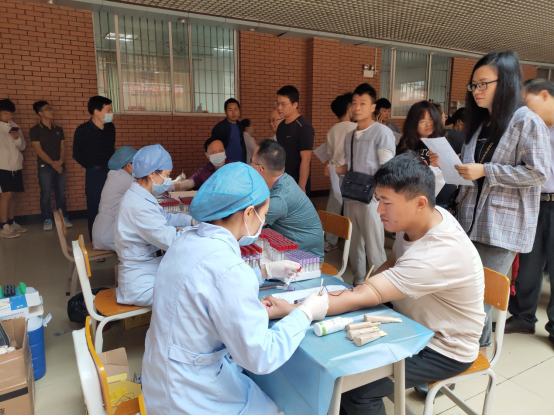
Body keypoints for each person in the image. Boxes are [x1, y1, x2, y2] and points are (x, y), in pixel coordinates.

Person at [264, 154, 486, 416]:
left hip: (443, 346)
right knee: (338, 354)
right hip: (409, 322)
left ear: (420, 203)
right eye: (378, 199)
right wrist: (358, 293)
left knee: (356, 388)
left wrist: (292, 309)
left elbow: (362, 295)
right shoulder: (423, 219)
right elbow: (391, 264)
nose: (379, 210)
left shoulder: (436, 253)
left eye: (386, 202)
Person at [142, 162, 329, 414]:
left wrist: (265, 271)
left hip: (163, 375)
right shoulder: (229, 269)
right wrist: (305, 312)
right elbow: (261, 356)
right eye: (264, 214)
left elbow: (209, 284)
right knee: (275, 407)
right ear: (249, 213)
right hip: (189, 395)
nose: (264, 221)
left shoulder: (186, 239)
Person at [452, 51, 550, 351]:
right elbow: (475, 168)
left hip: (503, 225)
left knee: (479, 296)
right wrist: (454, 165)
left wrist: (486, 170)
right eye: (473, 85)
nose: (476, 90)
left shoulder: (526, 120)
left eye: (484, 83)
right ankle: (468, 349)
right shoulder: (482, 123)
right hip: (470, 219)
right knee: (467, 291)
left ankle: (471, 353)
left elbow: (539, 173)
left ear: (505, 81)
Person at [326, 83, 395, 286]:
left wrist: (379, 194)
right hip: (351, 195)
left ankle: (380, 288)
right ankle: (358, 282)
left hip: (372, 199)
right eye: (354, 103)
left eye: (363, 103)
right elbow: (351, 166)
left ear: (373, 107)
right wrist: (335, 170)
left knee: (374, 246)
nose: (357, 107)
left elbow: (387, 168)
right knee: (353, 242)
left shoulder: (382, 132)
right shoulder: (350, 136)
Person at [506, 78, 554, 346]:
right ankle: (523, 318)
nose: (523, 109)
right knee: (528, 263)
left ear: (544, 95)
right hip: (534, 202)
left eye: (526, 101)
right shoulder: (532, 128)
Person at [114, 144, 193, 306]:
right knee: (191, 297)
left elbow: (165, 218)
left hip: (146, 268)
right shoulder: (138, 204)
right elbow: (169, 239)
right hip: (140, 282)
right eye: (167, 175)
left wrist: (191, 221)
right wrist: (196, 231)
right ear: (151, 173)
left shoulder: (141, 196)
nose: (167, 180)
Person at [252, 140, 325, 259]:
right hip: (291, 248)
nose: (250, 166)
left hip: (306, 259)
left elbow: (251, 225)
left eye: (252, 162)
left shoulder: (280, 198)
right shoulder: (284, 178)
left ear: (260, 168)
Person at [397, 101, 460, 208]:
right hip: (417, 200)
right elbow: (401, 176)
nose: (428, 124)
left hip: (444, 201)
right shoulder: (406, 144)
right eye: (422, 121)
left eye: (431, 119)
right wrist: (431, 166)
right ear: (413, 123)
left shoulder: (446, 140)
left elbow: (456, 174)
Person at [73, 96, 116, 241]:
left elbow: (111, 149)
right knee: (94, 206)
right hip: (94, 174)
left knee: (112, 205)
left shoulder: (110, 127)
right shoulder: (82, 130)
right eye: (108, 110)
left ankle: (110, 239)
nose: (111, 113)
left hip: (111, 172)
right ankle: (95, 241)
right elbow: (76, 154)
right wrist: (91, 166)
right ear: (97, 112)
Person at [30, 101, 72, 232]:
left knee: (61, 193)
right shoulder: (35, 130)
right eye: (47, 109)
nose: (51, 111)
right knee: (46, 193)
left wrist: (60, 161)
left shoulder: (58, 129)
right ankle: (47, 219)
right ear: (40, 113)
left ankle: (64, 217)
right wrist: (53, 164)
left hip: (60, 165)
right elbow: (39, 150)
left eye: (51, 108)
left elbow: (63, 148)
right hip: (45, 166)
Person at [325, 93, 357, 252]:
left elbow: (329, 155)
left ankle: (330, 240)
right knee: (353, 210)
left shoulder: (332, 131)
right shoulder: (355, 128)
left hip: (336, 175)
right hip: (353, 175)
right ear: (349, 108)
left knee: (334, 208)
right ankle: (352, 241)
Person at [92, 146, 137, 251]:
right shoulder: (122, 178)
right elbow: (147, 188)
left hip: (103, 229)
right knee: (143, 242)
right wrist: (174, 185)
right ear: (128, 165)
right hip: (107, 235)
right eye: (137, 164)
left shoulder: (115, 174)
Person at [275, 86, 314, 195]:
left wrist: (301, 186)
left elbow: (306, 159)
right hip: (282, 180)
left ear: (295, 104)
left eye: (283, 104)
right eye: (277, 103)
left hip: (297, 182)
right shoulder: (281, 127)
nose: (279, 107)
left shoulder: (304, 127)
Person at [0, 99, 27, 239]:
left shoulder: (15, 126)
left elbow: (22, 147)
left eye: (11, 114)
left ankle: (11, 222)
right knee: (6, 194)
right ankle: (3, 226)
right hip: (2, 166)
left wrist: (17, 138)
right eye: (6, 113)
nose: (9, 116)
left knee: (14, 194)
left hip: (15, 165)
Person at [211, 98, 246, 163]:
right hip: (226, 164)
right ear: (225, 112)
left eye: (235, 109)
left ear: (239, 111)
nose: (233, 113)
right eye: (230, 110)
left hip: (240, 163)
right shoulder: (219, 127)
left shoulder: (240, 126)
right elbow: (214, 148)